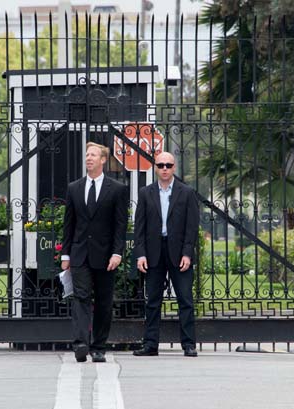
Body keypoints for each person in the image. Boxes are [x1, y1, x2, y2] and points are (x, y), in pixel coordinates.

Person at [61, 142, 128, 363]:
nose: (88, 158)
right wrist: (65, 255)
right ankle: (81, 344)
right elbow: (68, 224)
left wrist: (117, 253)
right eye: (87, 154)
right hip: (80, 254)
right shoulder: (74, 188)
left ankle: (98, 346)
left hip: (106, 255)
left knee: (103, 301)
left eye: (93, 155)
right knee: (80, 297)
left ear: (103, 160)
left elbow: (120, 225)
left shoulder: (117, 189)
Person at [132, 152, 200, 357]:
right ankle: (150, 344)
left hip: (179, 252)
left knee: (185, 299)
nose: (164, 168)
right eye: (160, 165)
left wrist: (187, 253)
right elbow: (139, 227)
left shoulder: (186, 192)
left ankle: (189, 344)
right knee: (152, 300)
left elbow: (191, 226)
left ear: (174, 167)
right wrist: (140, 254)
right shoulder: (145, 193)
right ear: (155, 167)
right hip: (154, 252)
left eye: (168, 165)